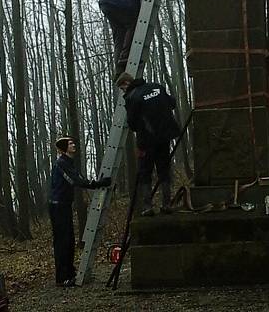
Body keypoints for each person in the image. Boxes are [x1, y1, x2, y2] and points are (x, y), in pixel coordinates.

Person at [49, 136, 111, 287]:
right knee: (63, 241)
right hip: (57, 206)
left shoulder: (69, 163)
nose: (74, 145)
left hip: (64, 205)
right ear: (64, 148)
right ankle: (62, 278)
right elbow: (76, 181)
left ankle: (69, 273)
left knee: (69, 240)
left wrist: (95, 183)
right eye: (70, 144)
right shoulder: (61, 163)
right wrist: (97, 184)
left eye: (73, 142)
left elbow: (79, 177)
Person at [116, 73, 181, 216]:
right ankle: (166, 204)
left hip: (146, 141)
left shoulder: (132, 97)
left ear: (127, 83)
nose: (123, 91)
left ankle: (147, 207)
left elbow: (132, 124)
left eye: (122, 88)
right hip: (164, 137)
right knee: (164, 170)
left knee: (145, 172)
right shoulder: (156, 87)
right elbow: (172, 103)